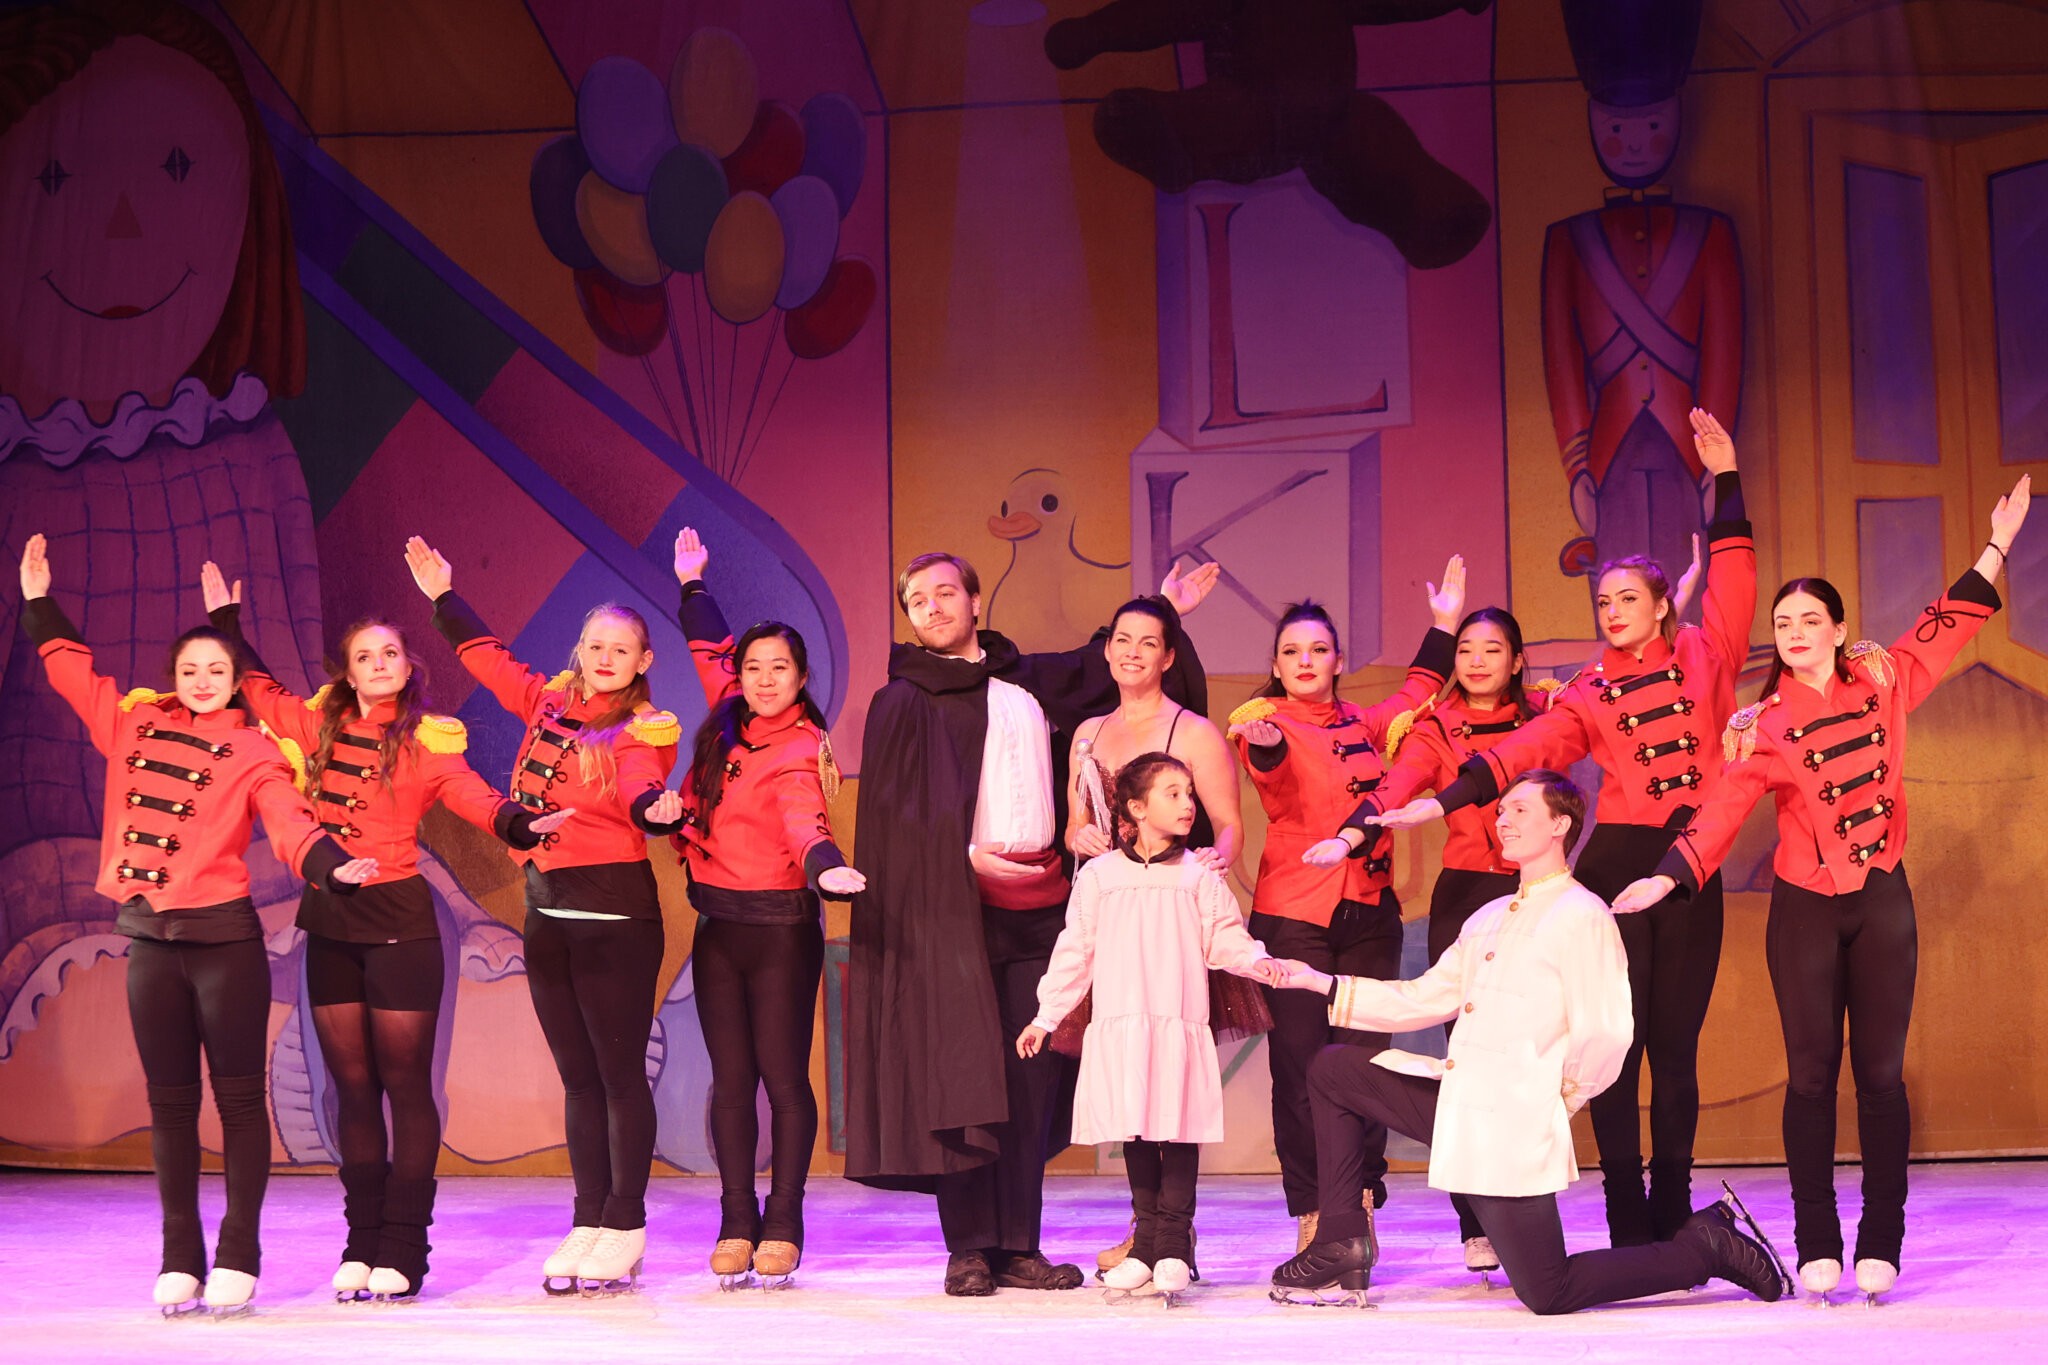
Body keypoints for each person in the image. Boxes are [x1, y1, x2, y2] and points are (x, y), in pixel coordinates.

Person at [1611, 474, 2031, 1304]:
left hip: (1881, 900)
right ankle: (1816, 1238)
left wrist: (1999, 542)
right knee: (1811, 1076)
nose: (1795, 632)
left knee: (1879, 1072)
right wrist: (1668, 875)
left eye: (1811, 620)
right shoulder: (1758, 725)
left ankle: (1883, 1236)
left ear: (1839, 630)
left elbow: (1948, 625)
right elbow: (1723, 808)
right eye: (1783, 622)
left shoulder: (1885, 678)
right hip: (1804, 906)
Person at [1365, 409, 1753, 1245]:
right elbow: (1525, 747)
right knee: (1613, 1038)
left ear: (1661, 607)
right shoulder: (1586, 690)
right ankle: (1622, 1209)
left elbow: (1734, 584)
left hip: (1689, 863)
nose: (1612, 610)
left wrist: (1726, 481)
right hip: (1614, 866)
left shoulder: (1704, 654)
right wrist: (1445, 796)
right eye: (1603, 599)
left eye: (1627, 599)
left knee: (1675, 1048)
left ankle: (1670, 1202)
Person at [1267, 769, 1788, 1314]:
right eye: (1501, 811)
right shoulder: (1488, 916)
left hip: (1512, 1122)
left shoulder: (1583, 915)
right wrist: (1319, 982)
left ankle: (1703, 1248)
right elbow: (1424, 997)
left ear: (1560, 824)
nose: (1503, 820)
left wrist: (1554, 1103)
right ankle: (1340, 1240)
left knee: (1547, 1291)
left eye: (1519, 809)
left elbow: (1607, 1030)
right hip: (1463, 1101)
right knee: (1333, 1070)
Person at [843, 549, 1217, 1297]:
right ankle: (969, 1247)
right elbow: (895, 819)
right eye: (918, 600)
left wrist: (1165, 604)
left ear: (975, 600)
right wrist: (962, 862)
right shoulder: (905, 698)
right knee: (962, 1074)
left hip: (1042, 906)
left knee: (1029, 1076)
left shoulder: (1024, 678)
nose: (934, 607)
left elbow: (1109, 660)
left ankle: (1019, 1243)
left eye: (946, 592)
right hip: (956, 910)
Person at [17, 533, 375, 1316]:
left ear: (234, 682)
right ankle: (180, 1253)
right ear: (173, 679)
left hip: (223, 945)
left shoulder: (253, 748)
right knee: (170, 1103)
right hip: (151, 942)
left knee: (240, 1103)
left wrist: (326, 862)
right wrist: (40, 601)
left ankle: (238, 1253)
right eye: (190, 670)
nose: (204, 681)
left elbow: (288, 820)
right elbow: (75, 675)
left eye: (217, 670)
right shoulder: (133, 727)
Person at [201, 563, 571, 1301]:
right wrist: (226, 623)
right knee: (353, 1087)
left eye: (391, 654)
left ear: (409, 668)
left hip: (401, 922)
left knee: (406, 1084)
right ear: (347, 672)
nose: (379, 665)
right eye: (365, 656)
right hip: (331, 921)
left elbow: (473, 796)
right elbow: (258, 687)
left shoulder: (428, 741)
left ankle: (405, 1243)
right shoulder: (319, 724)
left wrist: (520, 822)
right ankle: (360, 1239)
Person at [405, 536, 681, 1295]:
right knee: (579, 1078)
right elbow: (491, 659)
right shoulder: (548, 701)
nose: (605, 657)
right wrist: (443, 598)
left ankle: (626, 1222)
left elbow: (637, 786)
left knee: (620, 1074)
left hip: (615, 913)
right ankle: (588, 1218)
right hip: (548, 909)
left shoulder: (639, 730)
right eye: (596, 645)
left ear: (642, 660)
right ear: (581, 650)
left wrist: (653, 810)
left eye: (621, 649)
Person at [1299, 604, 1549, 1276]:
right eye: (1464, 648)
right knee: (1467, 1060)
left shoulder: (1549, 713)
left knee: (1531, 1056)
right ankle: (1477, 1220)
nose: (1474, 661)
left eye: (1492, 649)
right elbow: (1393, 787)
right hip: (1470, 896)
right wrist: (1352, 834)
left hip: (1542, 897)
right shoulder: (1437, 727)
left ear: (1518, 660)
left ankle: (1528, 1202)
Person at [1225, 560, 1466, 1252]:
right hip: (1294, 916)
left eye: (1318, 650)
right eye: (1292, 651)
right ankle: (1311, 1207)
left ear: (1338, 660)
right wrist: (1266, 751)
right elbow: (1266, 771)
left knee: (1368, 1066)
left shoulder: (1370, 722)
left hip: (1368, 916)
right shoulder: (1263, 722)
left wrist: (1445, 621)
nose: (1305, 661)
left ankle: (1356, 1197)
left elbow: (1420, 690)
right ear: (1275, 663)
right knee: (1300, 1072)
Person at [653, 528, 863, 1289]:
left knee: (781, 1077)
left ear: (803, 677)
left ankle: (786, 1216)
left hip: (780, 927)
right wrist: (692, 582)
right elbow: (707, 646)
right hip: (719, 925)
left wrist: (827, 870)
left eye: (781, 668)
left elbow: (805, 820)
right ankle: (736, 1214)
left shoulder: (800, 747)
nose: (765, 678)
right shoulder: (728, 717)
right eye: (755, 666)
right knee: (730, 1079)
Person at [1017, 754, 1281, 1303]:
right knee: (1135, 1127)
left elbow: (1224, 940)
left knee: (1177, 1129)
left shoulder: (1197, 878)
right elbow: (1075, 952)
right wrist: (1045, 1016)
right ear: (1136, 808)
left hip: (1176, 1019)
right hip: (1122, 1023)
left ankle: (1173, 1247)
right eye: (1173, 794)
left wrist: (1259, 962)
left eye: (1190, 793)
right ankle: (1144, 1246)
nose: (1188, 804)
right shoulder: (1099, 877)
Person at [1066, 596, 1260, 1276]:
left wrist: (1220, 856)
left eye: (1148, 642)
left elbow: (1228, 823)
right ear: (1108, 648)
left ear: (1169, 656)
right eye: (1122, 639)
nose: (1133, 652)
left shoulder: (1195, 732)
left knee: (1171, 1080)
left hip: (1177, 919)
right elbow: (1075, 825)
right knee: (1129, 1078)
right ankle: (1146, 1233)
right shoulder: (1088, 733)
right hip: (1118, 924)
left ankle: (1173, 1235)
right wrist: (1079, 835)